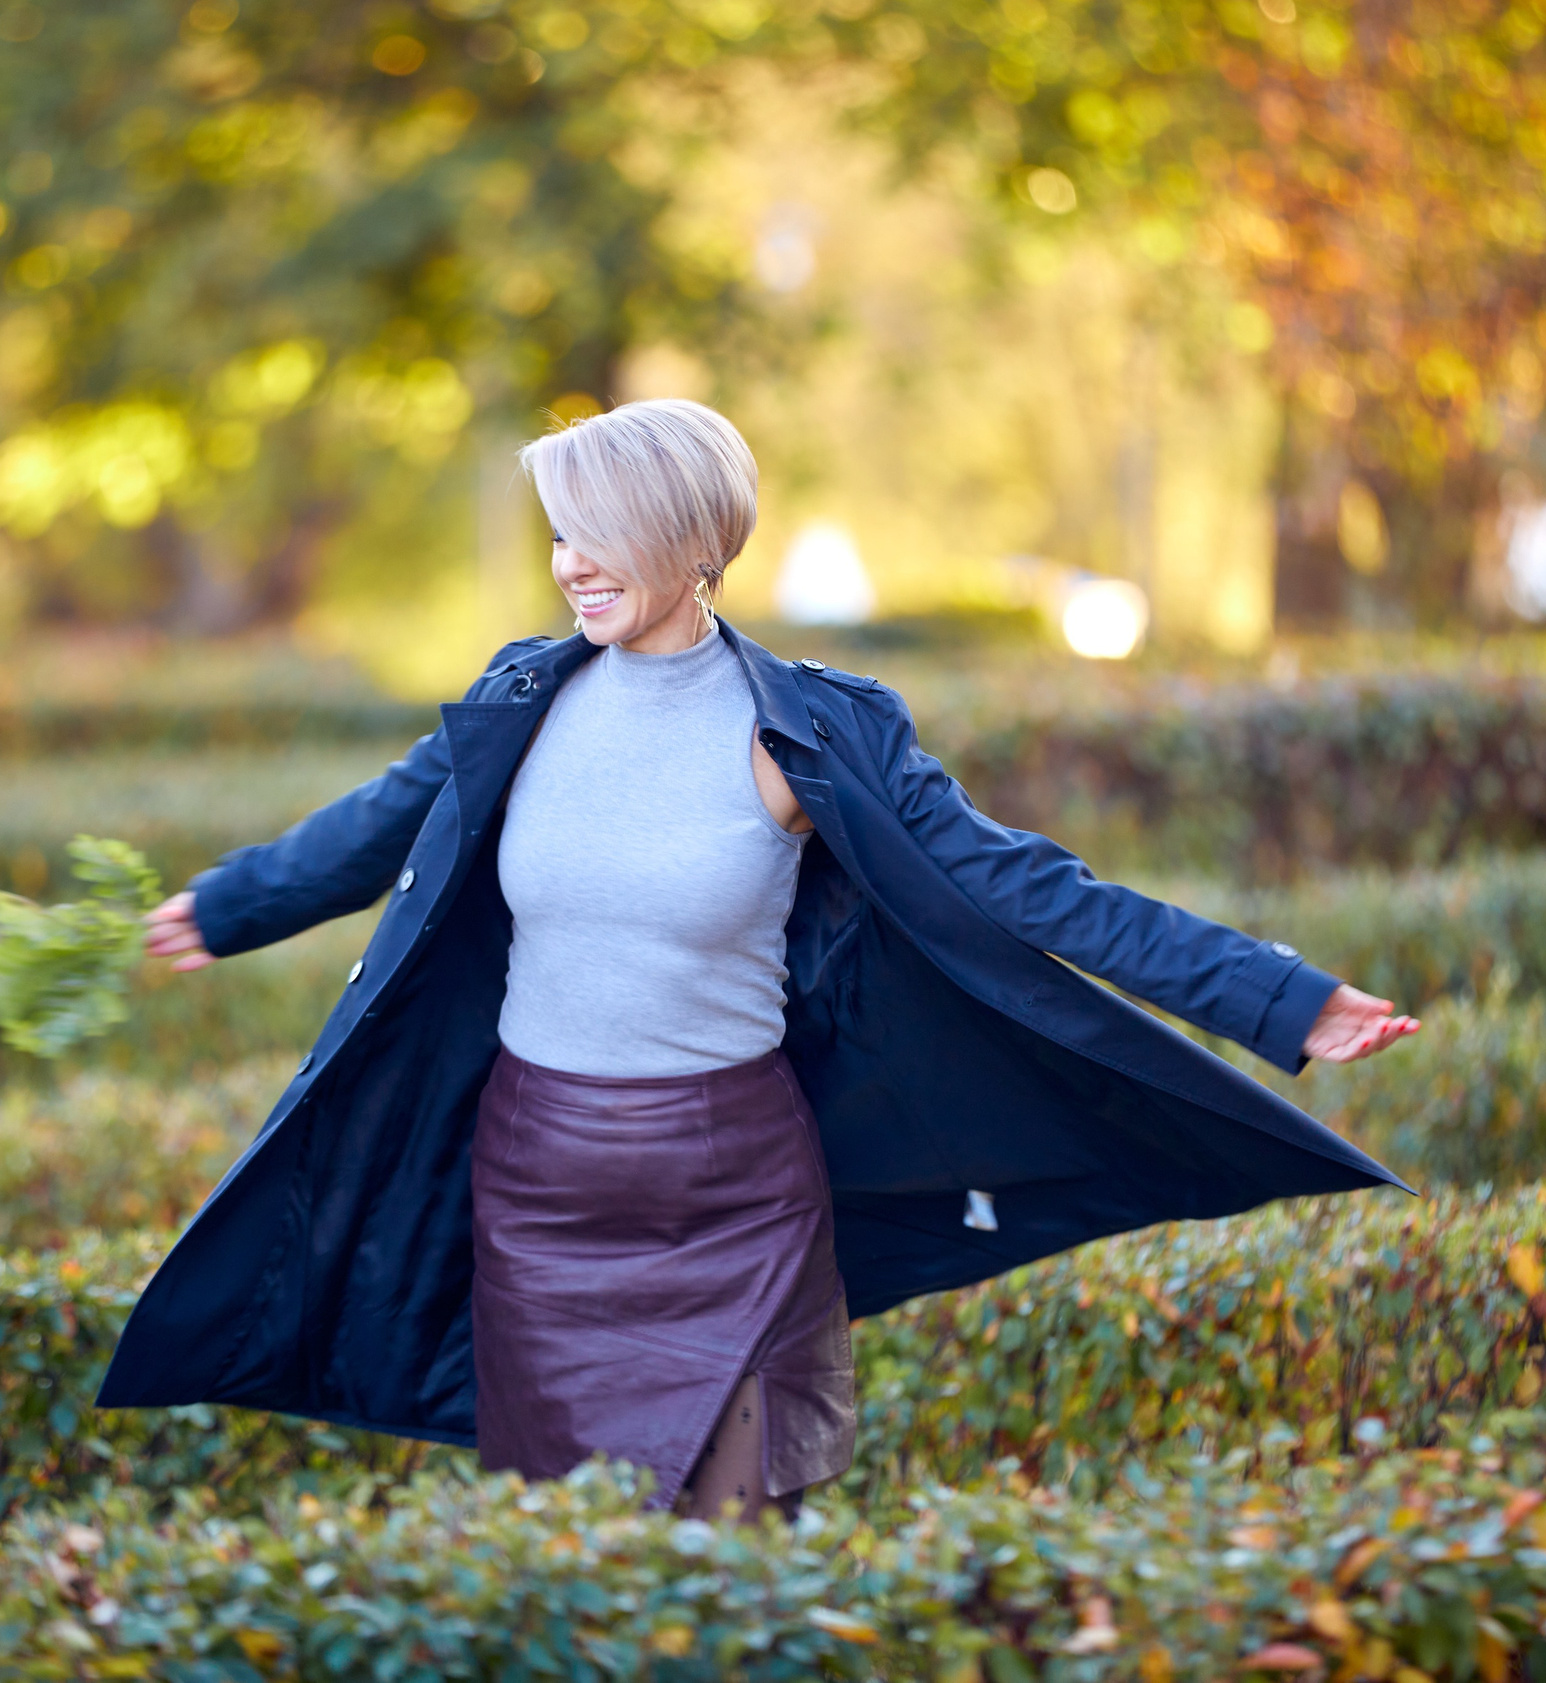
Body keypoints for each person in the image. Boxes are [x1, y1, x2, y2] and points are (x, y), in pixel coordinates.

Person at [100, 399, 1418, 1520]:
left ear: (687, 542)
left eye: (597, 536)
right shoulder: (520, 698)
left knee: (736, 1539)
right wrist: (226, 909)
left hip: (734, 1191)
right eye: (560, 536)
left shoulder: (806, 732)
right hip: (542, 1182)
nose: (570, 565)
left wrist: (1283, 1000)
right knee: (582, 1546)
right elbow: (375, 823)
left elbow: (1025, 889)